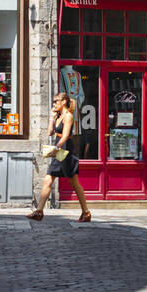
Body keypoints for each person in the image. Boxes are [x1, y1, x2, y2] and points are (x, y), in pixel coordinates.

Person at [30, 92, 91, 222]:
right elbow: (50, 132)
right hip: (58, 149)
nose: (54, 104)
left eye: (56, 101)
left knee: (74, 183)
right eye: (53, 102)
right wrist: (52, 118)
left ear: (63, 102)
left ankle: (86, 212)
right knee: (48, 180)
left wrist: (56, 148)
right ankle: (39, 211)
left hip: (65, 150)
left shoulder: (68, 116)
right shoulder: (58, 116)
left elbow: (65, 135)